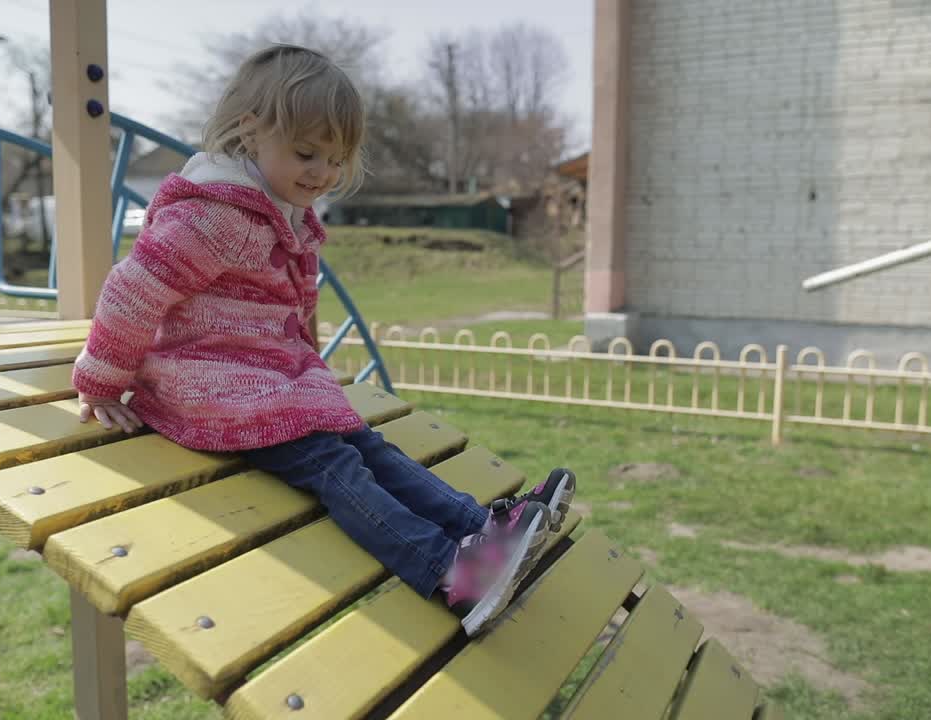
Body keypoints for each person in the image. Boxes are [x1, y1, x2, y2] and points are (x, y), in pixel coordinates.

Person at [72, 44, 575, 636]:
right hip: (208, 386)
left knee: (368, 444)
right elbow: (132, 292)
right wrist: (102, 381)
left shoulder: (283, 213)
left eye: (336, 160)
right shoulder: (215, 215)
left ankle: (482, 530)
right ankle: (450, 572)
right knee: (334, 464)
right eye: (307, 153)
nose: (323, 173)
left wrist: (310, 380)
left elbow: (292, 318)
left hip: (266, 379)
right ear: (249, 131)